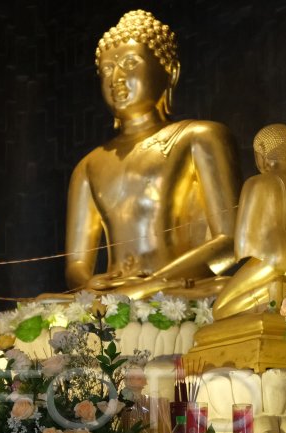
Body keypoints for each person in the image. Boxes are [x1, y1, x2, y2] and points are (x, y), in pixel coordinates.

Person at [64, 10, 242, 300]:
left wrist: (153, 283)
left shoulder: (198, 137)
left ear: (170, 72)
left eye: (130, 63)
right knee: (41, 304)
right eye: (107, 69)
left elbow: (231, 241)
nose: (116, 78)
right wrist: (88, 283)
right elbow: (76, 264)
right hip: (113, 297)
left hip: (176, 288)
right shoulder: (88, 166)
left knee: (231, 293)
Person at [212, 124, 286, 320]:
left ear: (261, 155)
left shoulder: (256, 183)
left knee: (220, 311)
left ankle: (272, 294)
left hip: (270, 259)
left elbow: (242, 240)